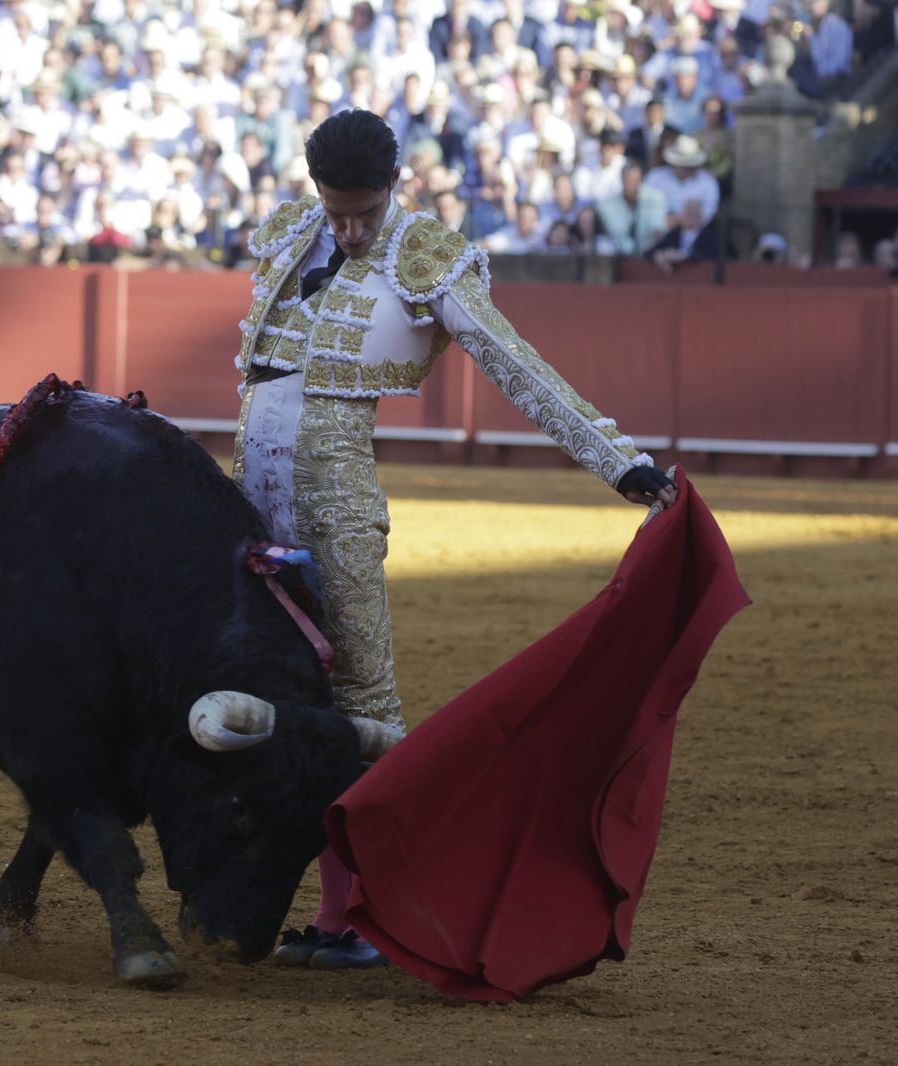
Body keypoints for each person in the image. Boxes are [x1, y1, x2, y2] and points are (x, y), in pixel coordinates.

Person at [230, 110, 677, 971]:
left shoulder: (427, 256)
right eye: (338, 212)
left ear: (397, 189)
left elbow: (514, 363)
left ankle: (350, 919)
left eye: (367, 212)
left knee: (362, 710)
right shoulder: (291, 231)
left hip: (337, 503)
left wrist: (620, 462)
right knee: (253, 691)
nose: (352, 231)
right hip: (248, 500)